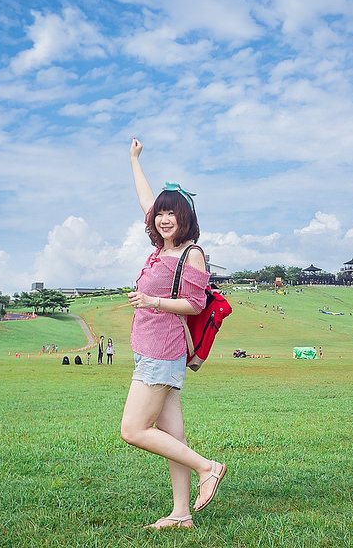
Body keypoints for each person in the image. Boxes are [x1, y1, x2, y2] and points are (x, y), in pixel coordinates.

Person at [120, 137, 226, 530]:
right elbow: (146, 200)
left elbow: (195, 304)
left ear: (186, 218)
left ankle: (208, 467)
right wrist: (134, 160)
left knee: (133, 429)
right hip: (151, 349)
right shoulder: (162, 247)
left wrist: (153, 301)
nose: (164, 219)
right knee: (172, 436)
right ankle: (182, 514)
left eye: (172, 214)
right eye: (160, 214)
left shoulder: (190, 253)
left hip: (162, 352)